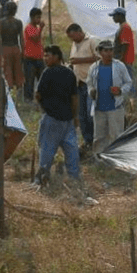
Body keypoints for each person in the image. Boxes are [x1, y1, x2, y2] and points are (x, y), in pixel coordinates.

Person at [34, 45, 87, 200]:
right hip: (68, 119)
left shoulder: (48, 73)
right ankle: (74, 179)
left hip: (52, 118)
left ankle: (42, 178)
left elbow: (38, 94)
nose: (45, 58)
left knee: (47, 150)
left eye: (48, 55)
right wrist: (75, 116)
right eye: (44, 55)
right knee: (71, 151)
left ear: (57, 56)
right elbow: (74, 98)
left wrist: (43, 108)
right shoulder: (70, 73)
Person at [86, 39, 132, 153]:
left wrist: (120, 91)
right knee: (99, 137)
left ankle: (116, 160)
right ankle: (99, 159)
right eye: (106, 51)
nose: (109, 53)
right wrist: (91, 91)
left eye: (111, 50)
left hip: (115, 107)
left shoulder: (119, 66)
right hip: (99, 108)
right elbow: (89, 83)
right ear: (100, 52)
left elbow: (128, 82)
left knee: (116, 135)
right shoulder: (94, 67)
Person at [65, 23, 98, 151]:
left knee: (91, 114)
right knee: (82, 115)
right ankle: (87, 140)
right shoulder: (74, 44)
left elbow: (99, 58)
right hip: (78, 83)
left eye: (74, 36)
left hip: (90, 83)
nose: (72, 40)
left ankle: (96, 140)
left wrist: (80, 61)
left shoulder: (91, 41)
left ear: (79, 32)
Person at [0, 2, 25, 99]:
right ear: (15, 11)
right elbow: (21, 39)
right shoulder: (18, 23)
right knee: (18, 70)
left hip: (5, 48)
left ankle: (9, 90)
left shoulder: (1, 22)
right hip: (15, 48)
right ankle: (19, 90)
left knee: (7, 69)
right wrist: (23, 51)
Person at [22, 7, 45, 104]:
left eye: (40, 18)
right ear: (32, 17)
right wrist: (41, 29)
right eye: (37, 18)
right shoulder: (29, 28)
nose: (39, 20)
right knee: (29, 80)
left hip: (38, 57)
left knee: (41, 79)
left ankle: (41, 98)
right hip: (30, 58)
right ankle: (28, 98)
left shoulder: (35, 28)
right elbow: (35, 38)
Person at [109, 6, 136, 80]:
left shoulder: (125, 28)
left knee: (128, 81)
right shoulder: (122, 27)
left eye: (114, 16)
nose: (113, 18)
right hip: (124, 60)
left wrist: (121, 60)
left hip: (125, 60)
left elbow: (125, 45)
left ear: (120, 16)